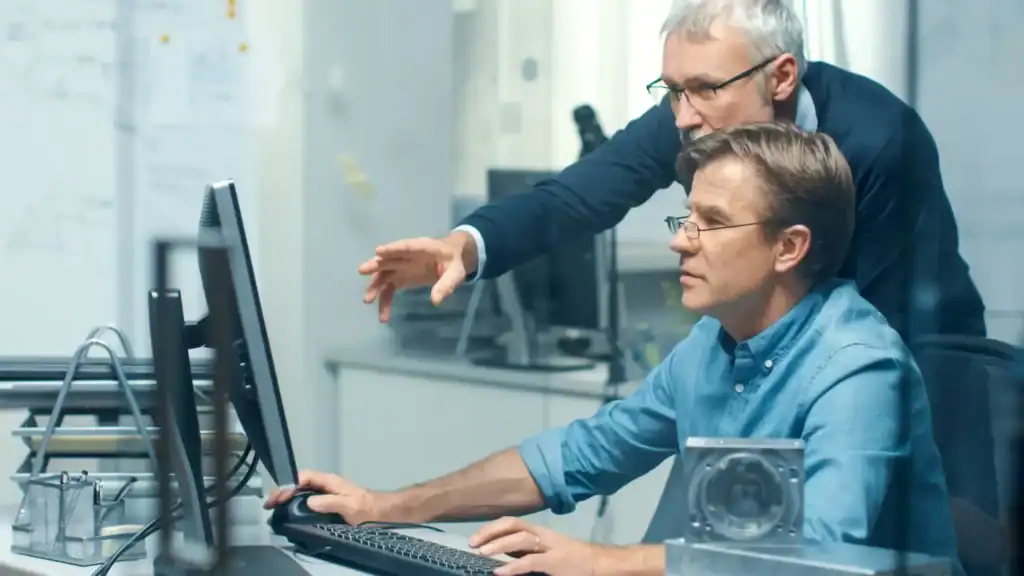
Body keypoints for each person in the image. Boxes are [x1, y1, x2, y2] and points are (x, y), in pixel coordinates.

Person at [270, 124, 961, 576]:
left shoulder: (859, 368)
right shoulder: (711, 347)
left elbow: (820, 560)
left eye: (711, 224)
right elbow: (574, 459)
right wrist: (385, 507)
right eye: (685, 218)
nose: (680, 241)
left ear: (790, 247)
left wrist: (599, 562)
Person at [358, 0, 985, 341]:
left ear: (783, 76)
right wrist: (465, 246)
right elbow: (575, 197)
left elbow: (872, 321)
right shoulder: (693, 113)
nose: (683, 116)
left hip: (926, 353)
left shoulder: (880, 140)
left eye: (706, 89)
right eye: (673, 90)